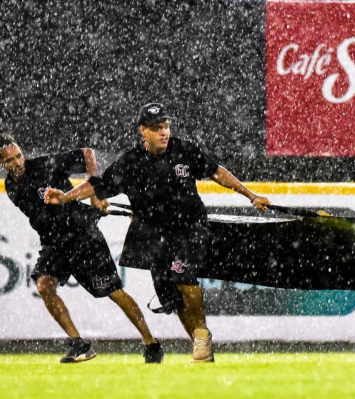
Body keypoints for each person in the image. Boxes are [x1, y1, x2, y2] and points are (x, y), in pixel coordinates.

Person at [44, 103, 271, 363]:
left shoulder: (184, 150)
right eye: (156, 128)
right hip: (154, 237)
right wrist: (66, 198)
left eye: (166, 126)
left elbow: (217, 173)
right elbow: (98, 185)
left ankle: (202, 335)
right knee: (172, 296)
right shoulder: (130, 162)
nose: (164, 132)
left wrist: (251, 196)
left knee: (183, 275)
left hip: (190, 227)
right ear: (143, 131)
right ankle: (201, 348)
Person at [0, 132, 163, 364]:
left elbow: (87, 154)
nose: (18, 162)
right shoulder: (9, 185)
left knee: (115, 293)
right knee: (44, 285)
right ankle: (79, 344)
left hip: (83, 237)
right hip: (55, 243)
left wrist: (96, 194)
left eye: (19, 155)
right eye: (10, 160)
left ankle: (151, 344)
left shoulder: (44, 165)